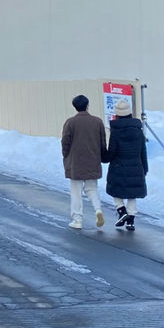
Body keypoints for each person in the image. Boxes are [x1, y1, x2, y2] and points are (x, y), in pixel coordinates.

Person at [61, 94, 107, 230]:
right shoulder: (97, 122)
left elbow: (65, 142)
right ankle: (98, 210)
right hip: (93, 160)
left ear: (75, 107)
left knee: (76, 192)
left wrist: (66, 156)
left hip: (75, 162)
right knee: (92, 188)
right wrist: (102, 156)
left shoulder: (70, 122)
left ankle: (77, 219)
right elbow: (102, 142)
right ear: (87, 106)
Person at [106, 98, 148, 232]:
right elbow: (143, 151)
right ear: (130, 114)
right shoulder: (138, 130)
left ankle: (121, 210)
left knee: (115, 189)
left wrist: (104, 157)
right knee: (132, 194)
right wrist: (144, 168)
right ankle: (130, 222)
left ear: (117, 114)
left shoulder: (115, 131)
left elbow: (111, 152)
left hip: (118, 167)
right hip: (136, 166)